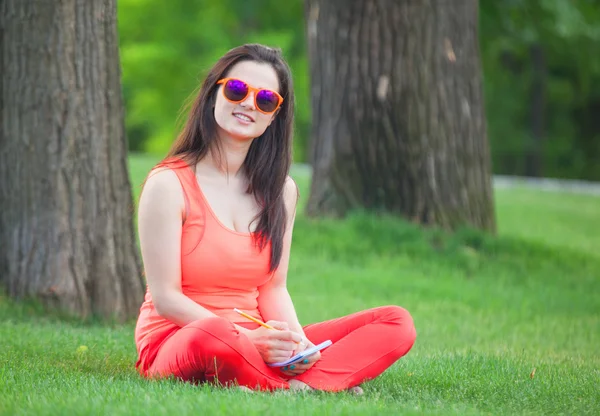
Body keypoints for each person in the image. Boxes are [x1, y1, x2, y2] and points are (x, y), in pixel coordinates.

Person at [134, 43, 417, 393]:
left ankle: (294, 379)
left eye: (265, 100)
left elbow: (272, 287)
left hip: (261, 343)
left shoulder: (281, 192)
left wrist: (298, 344)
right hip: (185, 338)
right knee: (216, 334)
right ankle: (298, 388)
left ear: (273, 117)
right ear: (213, 94)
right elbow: (166, 298)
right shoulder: (168, 184)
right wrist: (248, 338)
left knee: (395, 321)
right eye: (237, 90)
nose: (249, 104)